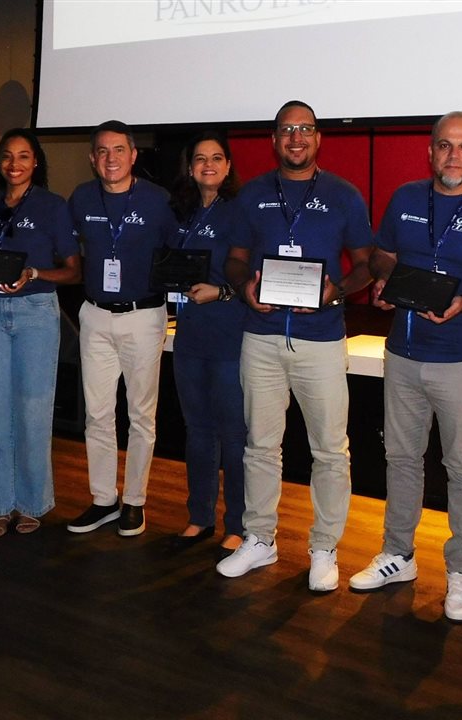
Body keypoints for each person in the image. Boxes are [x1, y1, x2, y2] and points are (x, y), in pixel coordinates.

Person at [348, 112, 462, 621]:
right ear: (430, 152)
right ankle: (398, 555)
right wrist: (386, 280)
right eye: (445, 146)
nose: (454, 156)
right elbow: (382, 255)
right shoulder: (406, 198)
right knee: (402, 460)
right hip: (403, 354)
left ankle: (461, 572)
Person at [216, 100, 373, 592]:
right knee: (260, 445)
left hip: (321, 339)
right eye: (287, 130)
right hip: (260, 336)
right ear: (275, 139)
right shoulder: (253, 195)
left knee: (330, 450)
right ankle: (259, 539)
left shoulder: (344, 195)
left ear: (318, 138)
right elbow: (236, 260)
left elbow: (368, 264)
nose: (296, 138)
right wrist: (245, 288)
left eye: (305, 129)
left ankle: (324, 548)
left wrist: (336, 290)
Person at [0, 128, 80, 537]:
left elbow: (72, 269)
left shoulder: (53, 206)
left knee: (31, 411)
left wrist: (33, 274)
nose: (15, 164)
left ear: (36, 163)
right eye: (7, 157)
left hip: (36, 314)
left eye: (24, 157)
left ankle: (30, 503)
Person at [66, 120, 177, 538]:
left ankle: (134, 501)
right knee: (96, 414)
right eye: (102, 151)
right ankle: (103, 500)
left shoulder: (158, 200)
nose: (110, 158)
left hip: (143, 317)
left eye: (119, 150)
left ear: (133, 155)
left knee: (140, 415)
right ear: (92, 159)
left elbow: (178, 250)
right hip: (94, 315)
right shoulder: (80, 197)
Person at [167, 131, 247, 556]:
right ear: (190, 166)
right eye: (200, 158)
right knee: (197, 431)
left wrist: (222, 293)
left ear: (229, 166)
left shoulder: (241, 212)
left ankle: (237, 523)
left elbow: (252, 275)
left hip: (231, 331)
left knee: (234, 434)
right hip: (190, 335)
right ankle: (199, 517)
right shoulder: (178, 211)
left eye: (217, 158)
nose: (208, 165)